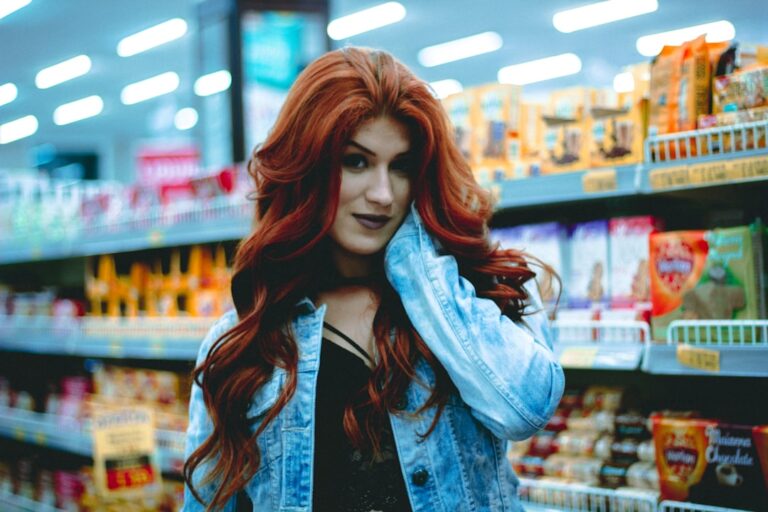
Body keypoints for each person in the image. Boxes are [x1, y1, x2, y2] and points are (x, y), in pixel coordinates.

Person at [183, 46, 564, 512]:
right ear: (308, 167)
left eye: (401, 166)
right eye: (356, 161)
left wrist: (417, 264)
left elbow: (524, 409)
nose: (382, 195)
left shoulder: (475, 293)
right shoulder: (244, 342)